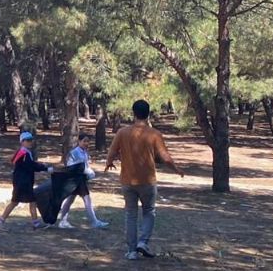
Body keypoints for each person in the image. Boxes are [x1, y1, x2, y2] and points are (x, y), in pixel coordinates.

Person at [104, 99, 184, 260]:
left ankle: (132, 250)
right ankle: (143, 242)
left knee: (130, 215)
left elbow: (112, 152)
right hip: (147, 181)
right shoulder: (154, 134)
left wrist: (109, 163)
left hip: (127, 181)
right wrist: (176, 169)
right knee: (149, 211)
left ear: (133, 113)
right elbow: (165, 157)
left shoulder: (122, 132)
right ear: (148, 114)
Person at [0, 131, 53, 229]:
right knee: (25, 202)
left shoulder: (24, 152)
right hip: (23, 182)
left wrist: (42, 166)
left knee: (19, 202)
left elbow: (30, 164)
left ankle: (2, 221)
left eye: (31, 140)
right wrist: (45, 168)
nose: (30, 142)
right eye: (28, 140)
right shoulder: (23, 153)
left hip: (23, 181)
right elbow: (31, 166)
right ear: (22, 141)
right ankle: (35, 223)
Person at [57, 133, 109, 229]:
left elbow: (85, 165)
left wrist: (89, 172)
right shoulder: (75, 152)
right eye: (84, 141)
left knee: (70, 200)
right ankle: (94, 222)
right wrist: (85, 171)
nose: (86, 143)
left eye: (88, 141)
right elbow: (72, 166)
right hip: (76, 179)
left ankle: (63, 221)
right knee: (87, 200)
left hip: (80, 179)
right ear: (79, 141)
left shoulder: (85, 152)